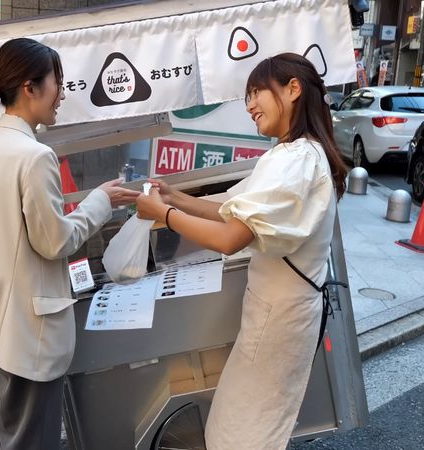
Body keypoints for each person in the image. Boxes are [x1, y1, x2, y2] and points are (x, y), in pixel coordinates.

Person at [135, 53, 348, 450]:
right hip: (275, 316)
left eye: (256, 92)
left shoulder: (298, 158)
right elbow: (234, 210)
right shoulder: (292, 154)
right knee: (242, 425)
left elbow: (232, 236)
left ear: (293, 89)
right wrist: (175, 198)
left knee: (248, 433)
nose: (249, 104)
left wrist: (163, 212)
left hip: (281, 320)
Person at [0, 38, 140, 450]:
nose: (61, 95)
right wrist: (99, 201)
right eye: (57, 83)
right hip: (23, 332)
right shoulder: (34, 156)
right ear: (30, 86)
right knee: (29, 442)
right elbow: (55, 242)